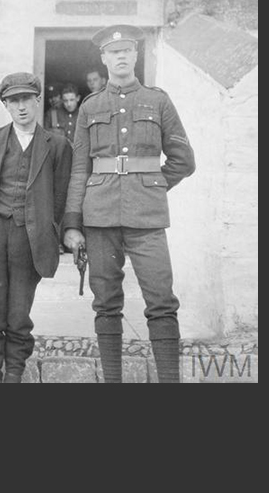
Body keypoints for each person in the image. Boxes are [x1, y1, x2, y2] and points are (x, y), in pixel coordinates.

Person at [62, 25, 196, 383]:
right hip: (100, 216)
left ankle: (170, 381)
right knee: (106, 303)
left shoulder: (158, 101)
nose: (121, 57)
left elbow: (184, 160)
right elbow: (79, 169)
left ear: (136, 56)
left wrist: (150, 185)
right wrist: (72, 223)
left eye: (127, 50)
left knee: (162, 302)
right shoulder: (91, 107)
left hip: (147, 219)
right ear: (103, 59)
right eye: (113, 52)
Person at [0, 73, 72, 382]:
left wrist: (47, 231)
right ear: (5, 105)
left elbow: (60, 196)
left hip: (29, 238)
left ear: (37, 101)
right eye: (14, 101)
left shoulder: (57, 145)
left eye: (27, 99)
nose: (21, 107)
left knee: (18, 314)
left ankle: (14, 371)